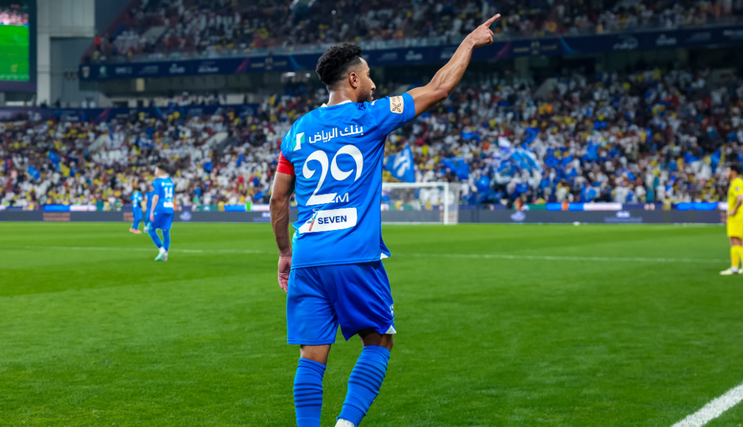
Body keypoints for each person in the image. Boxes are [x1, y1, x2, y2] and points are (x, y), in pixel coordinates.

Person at [269, 14, 500, 427]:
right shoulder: (371, 115)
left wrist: (285, 253)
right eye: (369, 75)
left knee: (311, 355)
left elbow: (277, 199)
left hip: (307, 256)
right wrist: (468, 42)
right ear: (353, 79)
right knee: (379, 340)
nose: (374, 84)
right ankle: (345, 424)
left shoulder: (296, 132)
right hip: (354, 254)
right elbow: (439, 88)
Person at [148, 162, 175, 262]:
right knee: (165, 230)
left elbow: (156, 197)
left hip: (160, 208)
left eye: (155, 170)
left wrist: (151, 211)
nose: (154, 172)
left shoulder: (157, 182)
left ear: (158, 170)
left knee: (151, 229)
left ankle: (161, 250)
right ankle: (165, 254)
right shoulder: (170, 182)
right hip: (170, 207)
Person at [721, 163, 743, 275]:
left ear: (733, 172)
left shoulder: (737, 183)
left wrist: (734, 210)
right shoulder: (736, 183)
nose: (726, 173)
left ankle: (734, 267)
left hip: (737, 216)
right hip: (739, 216)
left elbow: (741, 197)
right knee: (739, 242)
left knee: (734, 240)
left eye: (727, 171)